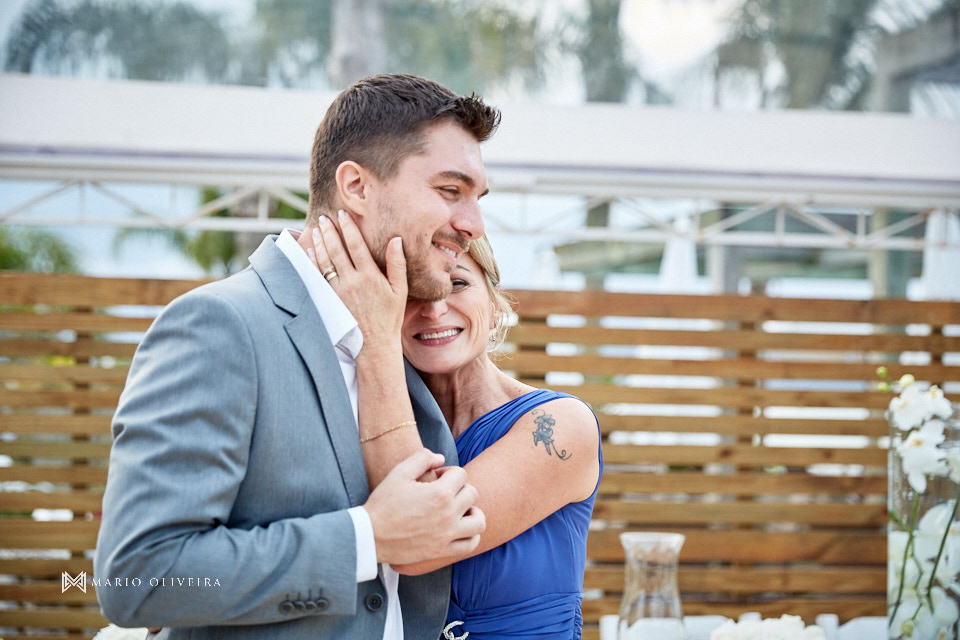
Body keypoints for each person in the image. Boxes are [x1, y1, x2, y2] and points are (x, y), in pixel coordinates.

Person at [94, 73, 501, 639]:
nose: (472, 225)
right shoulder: (220, 326)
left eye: (477, 199)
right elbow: (140, 578)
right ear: (356, 187)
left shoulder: (404, 337)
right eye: (449, 191)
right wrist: (367, 539)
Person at [308, 216, 603, 640]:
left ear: (496, 303)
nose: (433, 308)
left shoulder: (559, 425)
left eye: (458, 283)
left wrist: (374, 341)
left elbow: (421, 541)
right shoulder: (362, 422)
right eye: (409, 291)